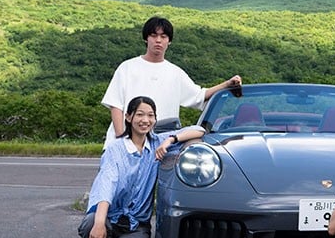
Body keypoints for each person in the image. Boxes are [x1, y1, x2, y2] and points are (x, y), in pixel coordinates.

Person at [79, 96, 205, 238]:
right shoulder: (115, 149)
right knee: (91, 224)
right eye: (139, 114)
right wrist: (99, 222)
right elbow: (106, 185)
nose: (145, 120)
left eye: (150, 115)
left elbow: (199, 130)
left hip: (135, 223)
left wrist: (171, 139)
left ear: (155, 119)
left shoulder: (157, 143)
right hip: (111, 217)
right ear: (128, 117)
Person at [102, 16, 241, 146]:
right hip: (124, 143)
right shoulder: (127, 67)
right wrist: (122, 138)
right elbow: (116, 105)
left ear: (169, 41)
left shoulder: (175, 73)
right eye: (154, 35)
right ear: (146, 39)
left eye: (163, 36)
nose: (158, 40)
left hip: (161, 145)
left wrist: (227, 84)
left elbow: (200, 96)